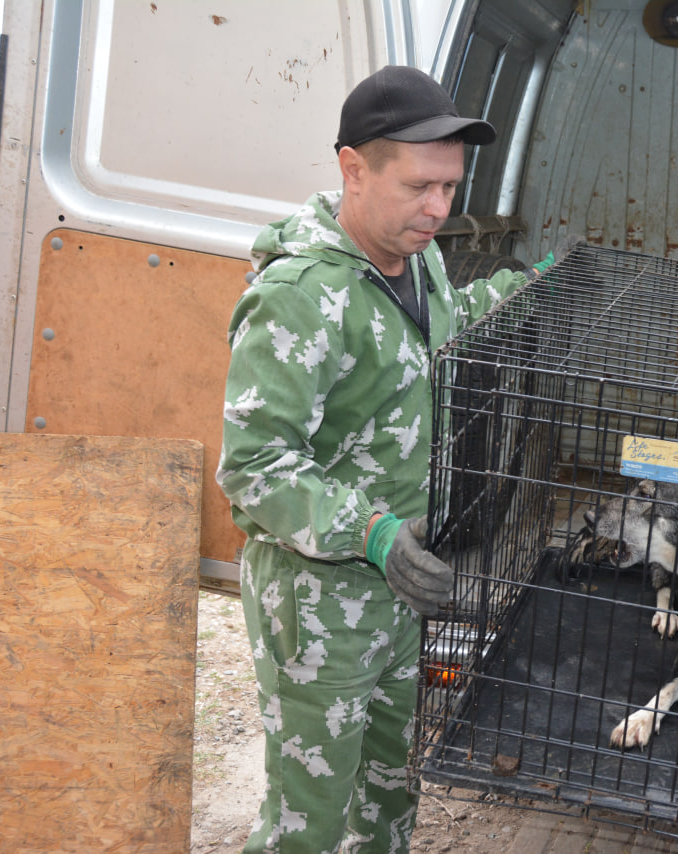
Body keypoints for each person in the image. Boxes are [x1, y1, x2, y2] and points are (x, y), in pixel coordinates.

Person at [216, 65, 563, 853]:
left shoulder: (421, 260)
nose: (439, 210)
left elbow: (444, 330)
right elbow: (255, 465)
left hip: (400, 592)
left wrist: (527, 288)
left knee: (391, 790)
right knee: (309, 818)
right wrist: (370, 531)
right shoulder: (300, 296)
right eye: (419, 187)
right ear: (353, 169)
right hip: (320, 604)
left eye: (450, 188)